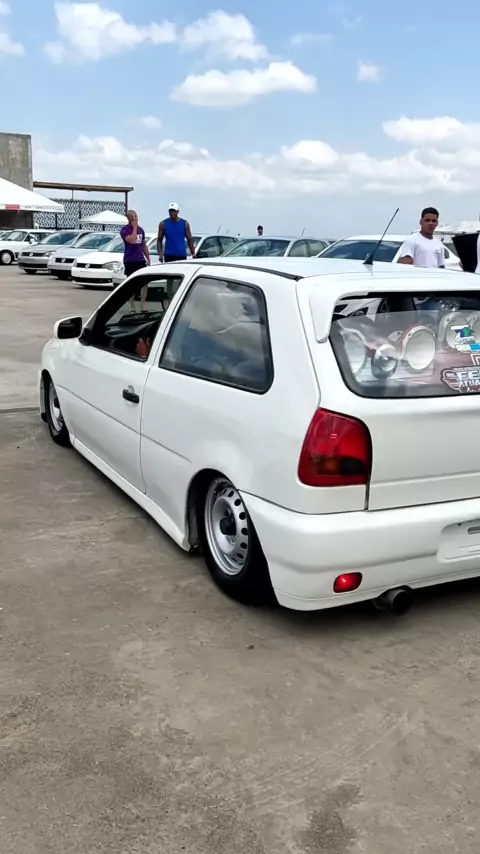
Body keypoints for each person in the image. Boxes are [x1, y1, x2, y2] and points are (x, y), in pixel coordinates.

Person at [120, 210, 150, 311]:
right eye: (132, 217)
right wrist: (134, 228)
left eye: (136, 216)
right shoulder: (124, 230)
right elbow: (131, 240)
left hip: (140, 259)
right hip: (130, 260)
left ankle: (143, 304)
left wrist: (148, 258)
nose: (135, 218)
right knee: (131, 284)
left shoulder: (141, 230)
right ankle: (132, 305)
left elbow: (143, 244)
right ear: (128, 218)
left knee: (144, 282)